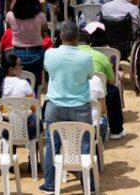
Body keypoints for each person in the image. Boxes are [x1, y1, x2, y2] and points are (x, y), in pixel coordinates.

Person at [41, 21, 94, 192]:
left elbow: (48, 71)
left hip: (55, 106)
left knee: (52, 145)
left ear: (61, 37)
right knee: (85, 143)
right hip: (80, 106)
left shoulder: (50, 54)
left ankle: (50, 185)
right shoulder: (86, 58)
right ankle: (88, 184)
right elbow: (90, 76)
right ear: (77, 38)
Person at [6, 0, 48, 88]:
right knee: (36, 83)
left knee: (17, 83)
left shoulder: (10, 16)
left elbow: (9, 27)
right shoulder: (40, 16)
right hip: (36, 54)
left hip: (18, 54)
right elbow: (45, 29)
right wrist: (41, 7)